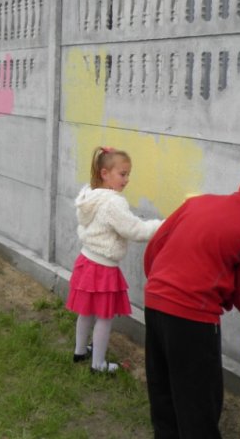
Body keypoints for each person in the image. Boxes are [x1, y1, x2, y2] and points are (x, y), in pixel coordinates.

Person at [143, 169, 240, 439]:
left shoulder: (198, 203)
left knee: (164, 395)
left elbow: (155, 246)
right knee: (197, 402)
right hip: (193, 317)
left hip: (155, 302)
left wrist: (162, 288)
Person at [66, 147, 162, 373]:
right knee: (104, 317)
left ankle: (80, 352)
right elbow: (135, 230)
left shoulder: (91, 196)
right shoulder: (113, 203)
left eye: (128, 174)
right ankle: (98, 364)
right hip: (103, 268)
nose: (127, 179)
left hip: (86, 261)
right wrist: (165, 225)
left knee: (86, 312)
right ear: (105, 173)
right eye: (122, 174)